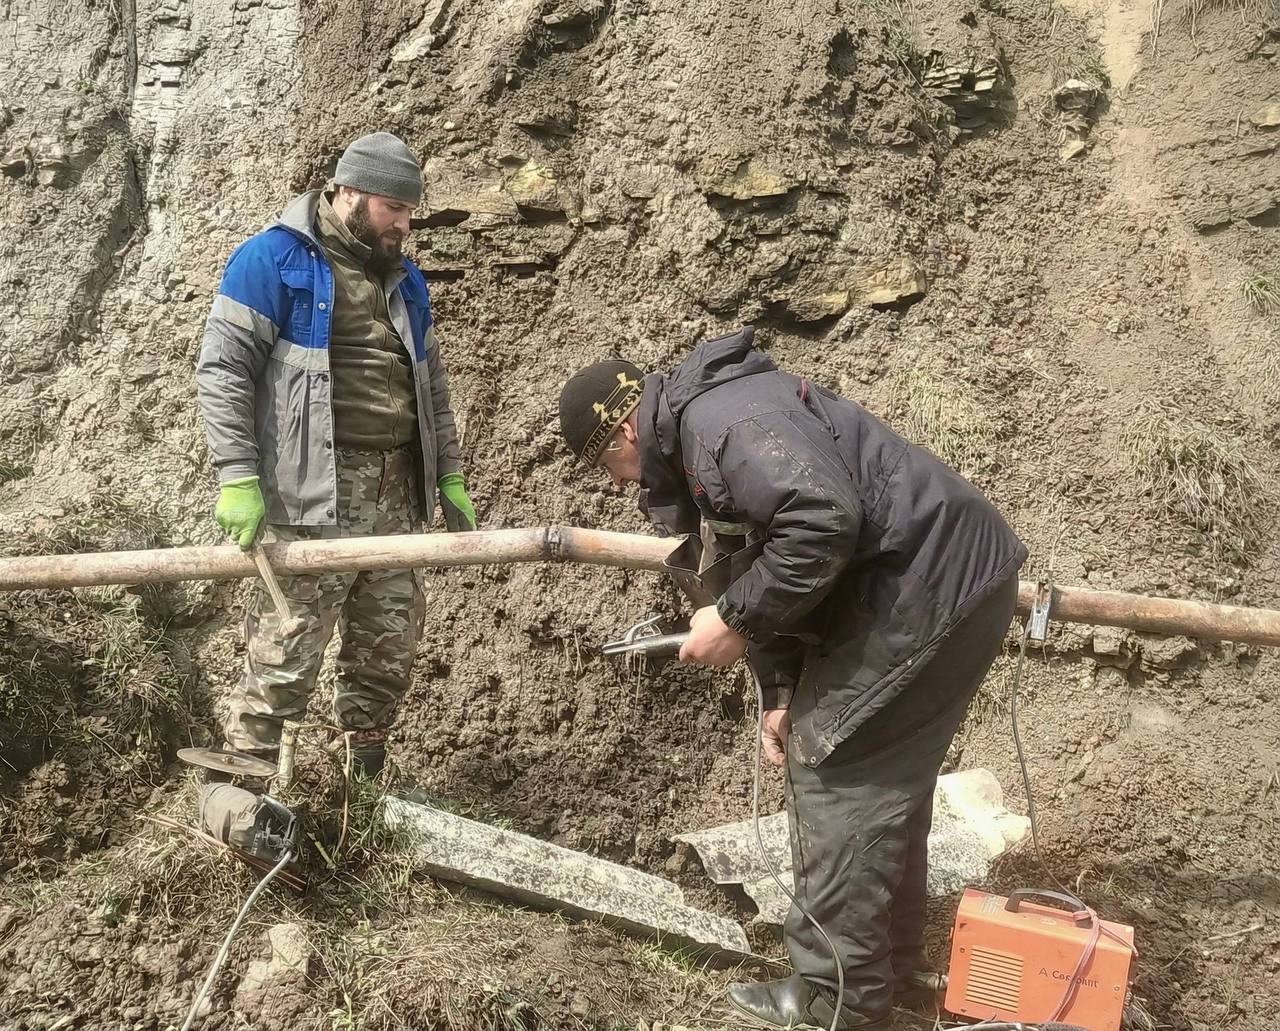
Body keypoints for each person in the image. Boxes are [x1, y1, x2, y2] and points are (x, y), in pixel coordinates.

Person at [557, 325, 1026, 1030]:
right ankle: (884, 975)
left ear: (623, 431)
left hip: (927, 587)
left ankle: (836, 1003)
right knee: (878, 780)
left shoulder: (721, 425)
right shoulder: (705, 430)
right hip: (942, 581)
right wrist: (778, 692)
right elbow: (758, 555)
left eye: (609, 466)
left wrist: (736, 622)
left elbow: (819, 521)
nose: (621, 484)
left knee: (835, 770)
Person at [196, 132, 475, 777]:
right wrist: (237, 476)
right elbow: (222, 372)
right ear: (346, 192)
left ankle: (361, 801)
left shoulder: (405, 281)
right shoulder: (271, 262)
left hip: (398, 488)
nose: (404, 225)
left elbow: (428, 383)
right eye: (391, 209)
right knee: (287, 646)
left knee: (387, 648)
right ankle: (243, 791)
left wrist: (450, 472)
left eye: (410, 211)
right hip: (316, 487)